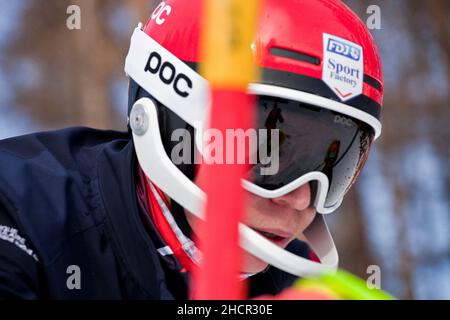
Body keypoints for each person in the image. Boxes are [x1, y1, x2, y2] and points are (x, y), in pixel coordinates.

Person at [0, 0, 383, 299]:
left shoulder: (298, 283)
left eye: (332, 165)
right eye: (270, 152)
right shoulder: (21, 212)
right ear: (173, 120)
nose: (302, 199)